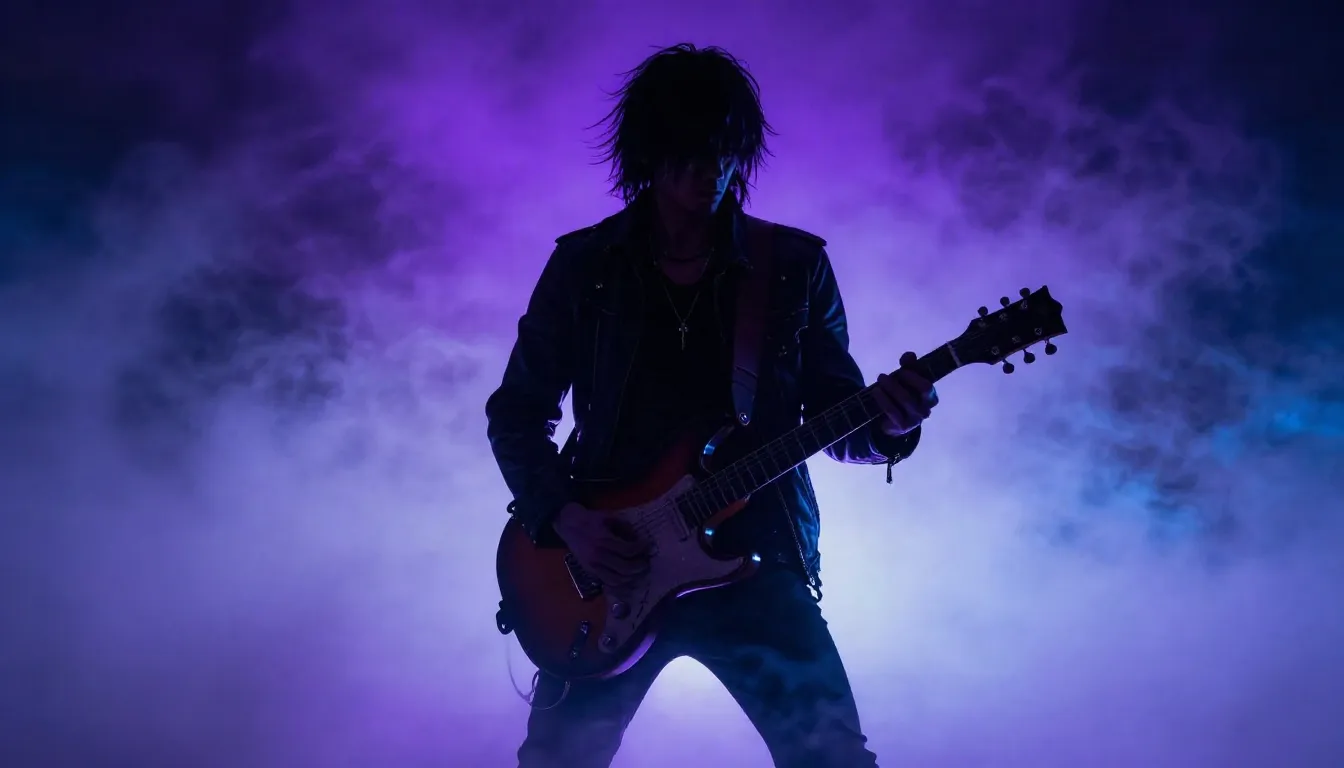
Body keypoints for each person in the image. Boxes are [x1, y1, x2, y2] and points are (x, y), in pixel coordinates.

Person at [485, 43, 937, 768]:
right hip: (611, 564)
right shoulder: (585, 267)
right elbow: (516, 411)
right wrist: (567, 521)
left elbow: (837, 419)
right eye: (690, 151)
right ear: (650, 152)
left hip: (756, 557)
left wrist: (888, 427)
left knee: (832, 759)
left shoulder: (792, 267)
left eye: (725, 149)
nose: (712, 169)